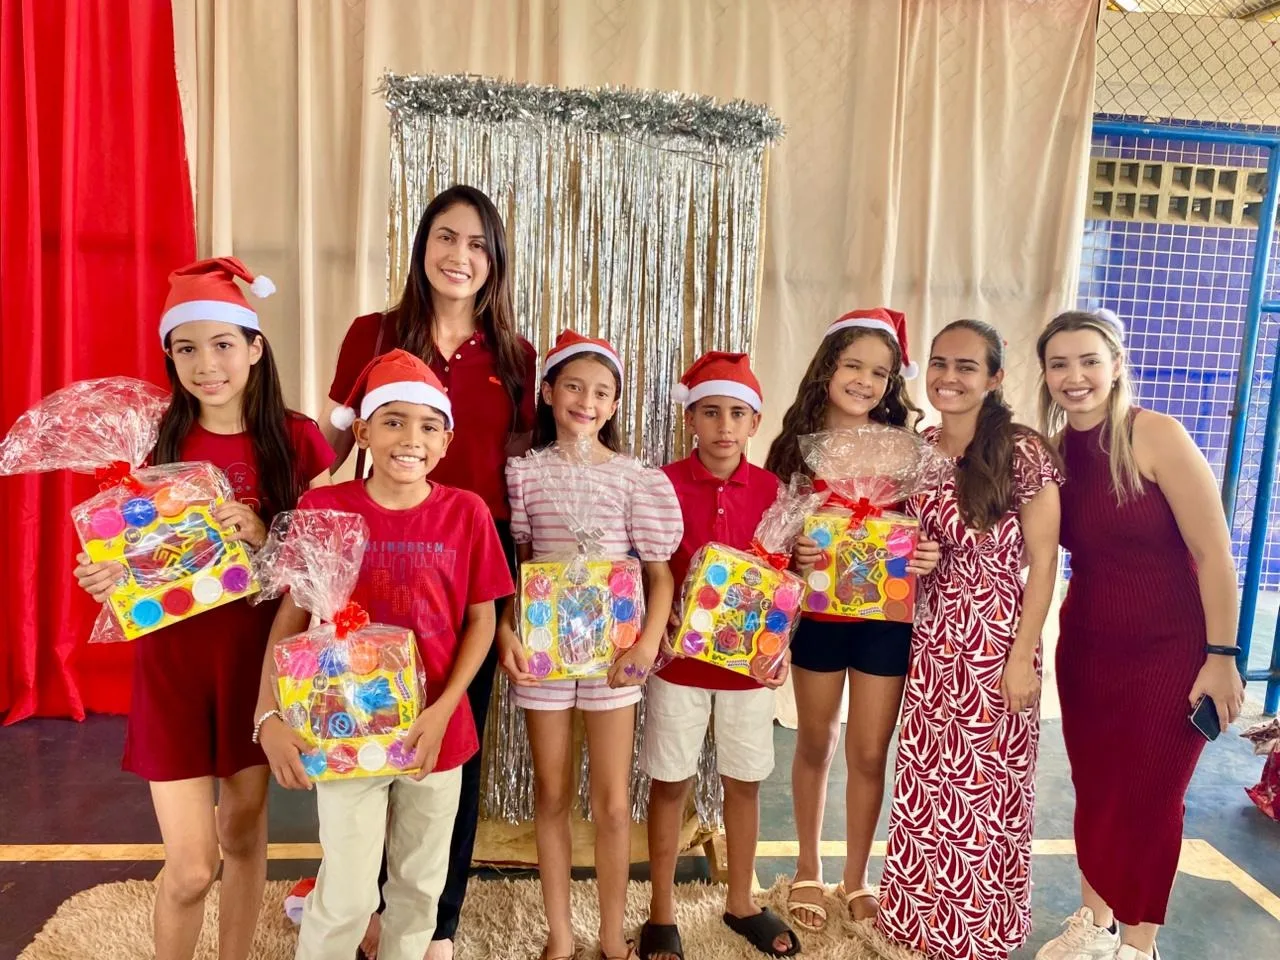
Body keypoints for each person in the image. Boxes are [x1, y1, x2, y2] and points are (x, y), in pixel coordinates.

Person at [73, 258, 333, 960]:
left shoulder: (298, 439)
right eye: (186, 348)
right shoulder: (149, 442)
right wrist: (105, 575)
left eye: (222, 344)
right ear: (171, 357)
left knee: (242, 835)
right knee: (190, 868)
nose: (206, 364)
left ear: (255, 347)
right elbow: (129, 553)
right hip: (173, 667)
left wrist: (268, 533)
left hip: (256, 666)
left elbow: (326, 563)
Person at [325, 184, 536, 960]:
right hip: (374, 556)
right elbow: (330, 448)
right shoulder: (372, 334)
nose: (460, 255)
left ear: (495, 261)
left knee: (450, 743)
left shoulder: (516, 358)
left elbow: (519, 482)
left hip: (470, 565)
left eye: (478, 244)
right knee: (363, 733)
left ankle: (437, 919)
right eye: (446, 237)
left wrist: (512, 607)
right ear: (421, 247)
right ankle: (359, 903)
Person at [256, 349, 513, 960]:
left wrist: (445, 709)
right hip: (345, 731)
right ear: (364, 432)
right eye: (393, 421)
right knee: (347, 890)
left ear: (446, 441)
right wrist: (267, 716)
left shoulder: (467, 513)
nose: (411, 439)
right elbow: (289, 620)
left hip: (435, 734)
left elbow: (482, 619)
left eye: (428, 426)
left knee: (420, 887)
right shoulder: (324, 512)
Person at [1032, 309, 1245, 960]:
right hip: (1089, 648)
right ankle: (1095, 924)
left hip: (1173, 650)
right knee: (1097, 790)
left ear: (1117, 365)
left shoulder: (1154, 435)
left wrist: (1222, 656)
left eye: (1089, 361)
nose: (1075, 376)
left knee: (1151, 798)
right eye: (1060, 364)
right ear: (1045, 375)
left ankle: (1138, 944)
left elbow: (1214, 553)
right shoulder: (1051, 454)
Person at [875, 319, 1063, 960]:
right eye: (939, 363)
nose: (948, 377)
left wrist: (1022, 657)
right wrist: (916, 556)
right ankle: (916, 925)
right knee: (927, 783)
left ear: (994, 378)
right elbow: (905, 543)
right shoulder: (921, 449)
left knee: (984, 789)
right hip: (931, 638)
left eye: (966, 366)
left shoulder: (1021, 450)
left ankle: (975, 931)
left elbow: (1045, 562)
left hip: (995, 638)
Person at [497, 330, 682, 960]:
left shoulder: (634, 479)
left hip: (614, 657)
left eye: (602, 392)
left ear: (615, 404)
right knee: (551, 794)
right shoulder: (525, 474)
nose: (587, 401)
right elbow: (522, 566)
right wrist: (511, 631)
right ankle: (560, 933)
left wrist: (646, 646)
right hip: (544, 655)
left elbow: (660, 576)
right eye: (573, 387)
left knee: (611, 801)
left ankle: (609, 932)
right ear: (549, 392)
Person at [763, 307, 938, 931]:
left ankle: (858, 875)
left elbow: (925, 529)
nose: (865, 381)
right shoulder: (796, 446)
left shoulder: (909, 450)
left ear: (893, 383)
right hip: (818, 617)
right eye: (853, 366)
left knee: (869, 751)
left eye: (880, 373)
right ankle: (808, 868)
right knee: (816, 742)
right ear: (827, 368)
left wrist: (925, 552)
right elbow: (771, 537)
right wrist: (794, 551)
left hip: (886, 621)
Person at [639, 352, 798, 960]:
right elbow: (646, 567)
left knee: (745, 783)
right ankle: (660, 910)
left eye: (737, 413)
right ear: (690, 419)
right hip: (676, 666)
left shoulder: (773, 492)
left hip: (747, 674)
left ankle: (741, 901)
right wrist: (656, 621)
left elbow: (781, 582)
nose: (724, 426)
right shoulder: (662, 484)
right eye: (710, 412)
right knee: (669, 781)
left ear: (755, 421)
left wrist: (781, 645)